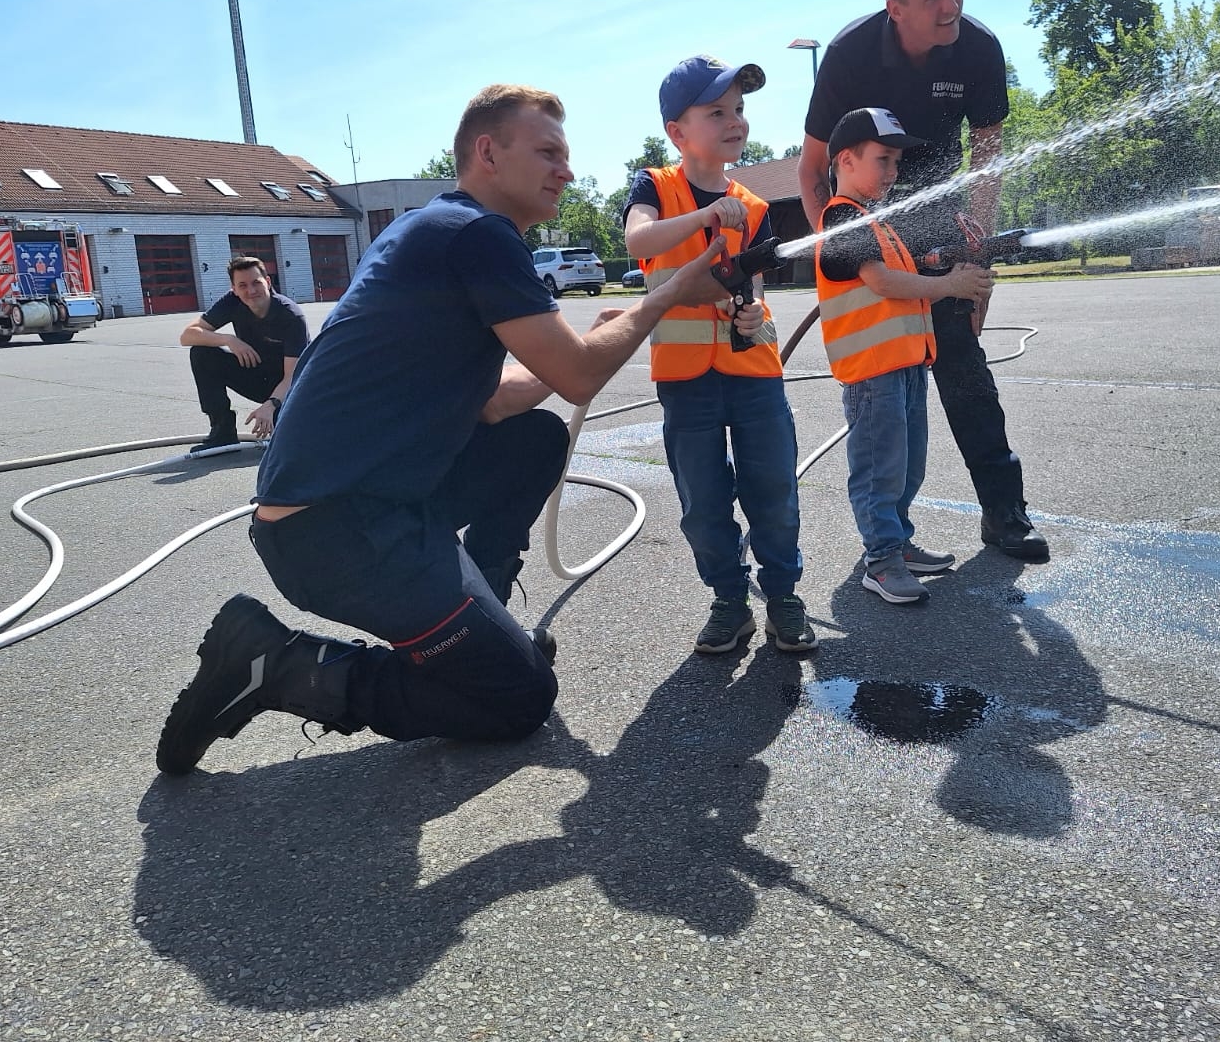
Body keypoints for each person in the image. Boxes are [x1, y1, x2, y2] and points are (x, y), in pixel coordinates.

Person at [155, 84, 731, 776]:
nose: (566, 171)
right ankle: (272, 663)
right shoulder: (478, 236)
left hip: (349, 510)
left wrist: (586, 342)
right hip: (339, 534)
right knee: (517, 700)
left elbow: (493, 402)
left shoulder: (434, 229)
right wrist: (665, 294)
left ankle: (479, 620)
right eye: (548, 152)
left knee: (535, 440)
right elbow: (580, 377)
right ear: (487, 152)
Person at [797, 0, 1049, 561]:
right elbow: (811, 170)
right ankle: (888, 540)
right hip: (870, 224)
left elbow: (986, 156)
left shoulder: (979, 49)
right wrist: (843, 254)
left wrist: (975, 257)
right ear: (897, 8)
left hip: (940, 220)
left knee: (964, 371)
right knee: (889, 398)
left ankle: (1004, 514)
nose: (952, 5)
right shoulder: (851, 54)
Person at [622, 55, 815, 655]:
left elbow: (753, 285)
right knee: (702, 502)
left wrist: (753, 312)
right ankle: (729, 600)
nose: (734, 121)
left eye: (739, 110)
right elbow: (638, 240)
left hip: (753, 372)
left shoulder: (754, 208)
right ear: (677, 133)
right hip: (686, 382)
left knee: (773, 491)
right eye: (716, 112)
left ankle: (782, 595)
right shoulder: (656, 187)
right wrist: (704, 216)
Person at [816, 108, 988, 604]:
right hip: (873, 372)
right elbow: (882, 281)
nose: (893, 171)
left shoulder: (875, 221)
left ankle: (899, 542)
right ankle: (882, 560)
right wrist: (949, 282)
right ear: (846, 160)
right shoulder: (841, 215)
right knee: (879, 467)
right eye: (883, 159)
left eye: (896, 161)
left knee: (908, 465)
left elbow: (901, 273)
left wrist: (936, 262)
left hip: (908, 365)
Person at [178, 255, 309, 452]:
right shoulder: (232, 302)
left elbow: (293, 376)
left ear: (268, 281)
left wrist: (270, 405)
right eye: (243, 285)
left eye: (256, 283)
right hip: (256, 375)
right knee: (201, 353)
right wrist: (229, 340)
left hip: (292, 388)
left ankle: (285, 418)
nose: (251, 291)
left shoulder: (290, 315)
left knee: (292, 440)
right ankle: (222, 430)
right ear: (234, 289)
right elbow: (187, 336)